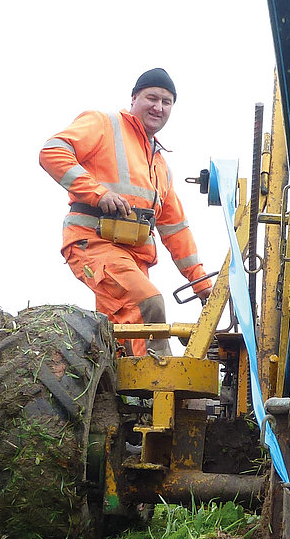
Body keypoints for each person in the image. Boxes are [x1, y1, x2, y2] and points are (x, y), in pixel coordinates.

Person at [40, 67, 213, 356]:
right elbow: (53, 151)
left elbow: (176, 230)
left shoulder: (160, 167)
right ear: (134, 99)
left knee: (125, 338)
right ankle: (163, 387)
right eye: (152, 98)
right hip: (93, 243)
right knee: (149, 304)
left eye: (166, 102)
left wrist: (201, 284)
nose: (158, 107)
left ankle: (130, 396)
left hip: (134, 257)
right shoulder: (103, 124)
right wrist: (98, 193)